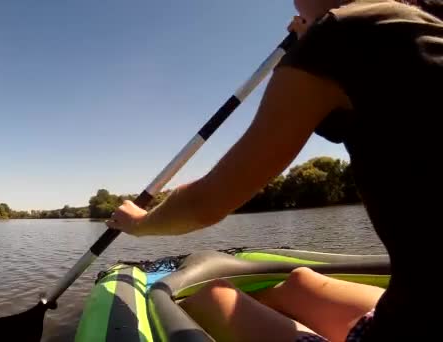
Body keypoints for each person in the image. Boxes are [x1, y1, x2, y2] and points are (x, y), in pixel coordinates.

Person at [106, 0, 443, 341]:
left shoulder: (339, 35)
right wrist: (314, 34)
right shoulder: (425, 18)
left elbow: (206, 203)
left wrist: (139, 223)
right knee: (301, 283)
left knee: (209, 298)